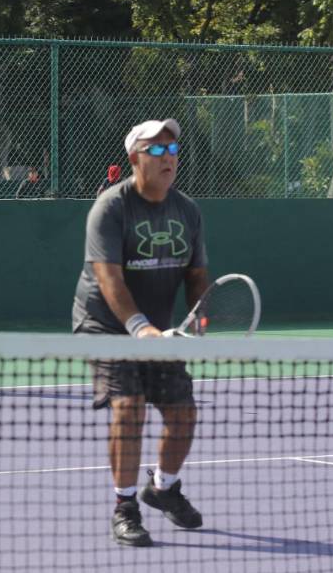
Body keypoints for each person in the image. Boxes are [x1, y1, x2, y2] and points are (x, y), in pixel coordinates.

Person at [71, 118, 208, 547]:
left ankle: (163, 488)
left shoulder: (187, 210)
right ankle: (125, 505)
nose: (169, 158)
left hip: (158, 328)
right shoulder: (111, 208)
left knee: (183, 414)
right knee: (129, 407)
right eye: (158, 151)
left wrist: (200, 317)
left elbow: (197, 275)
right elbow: (109, 279)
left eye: (173, 151)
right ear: (135, 158)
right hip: (104, 324)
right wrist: (138, 327)